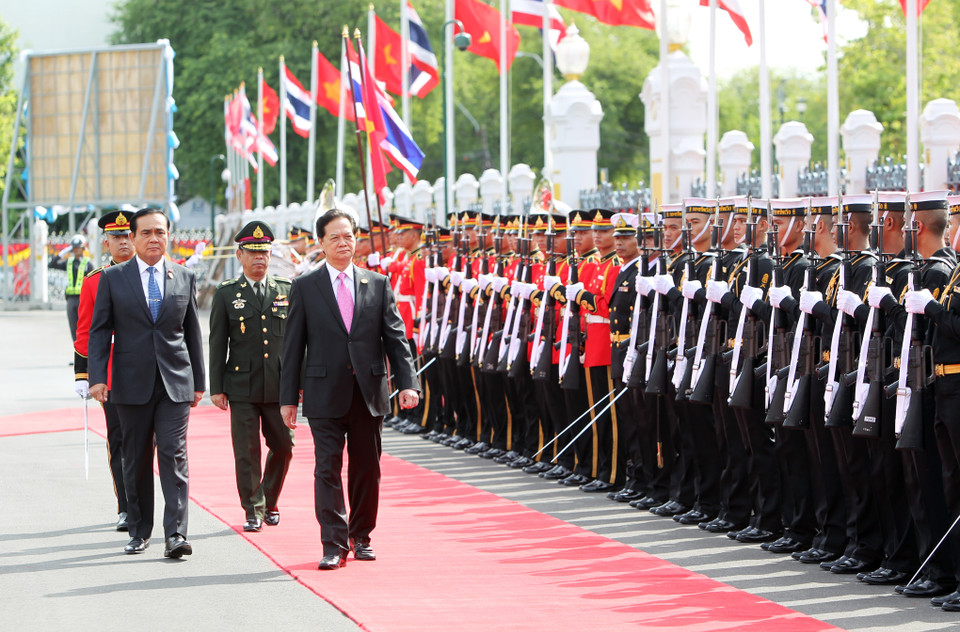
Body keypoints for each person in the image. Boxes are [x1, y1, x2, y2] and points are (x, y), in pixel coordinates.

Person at [280, 208, 420, 570]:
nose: (344, 243)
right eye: (335, 237)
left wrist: (408, 383)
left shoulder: (377, 283)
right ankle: (333, 542)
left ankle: (362, 536)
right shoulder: (305, 286)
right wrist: (288, 398)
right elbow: (293, 346)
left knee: (366, 468)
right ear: (321, 243)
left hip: (368, 391)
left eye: (348, 236)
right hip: (323, 391)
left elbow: (395, 338)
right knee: (327, 467)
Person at [88, 208, 205, 558]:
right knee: (136, 458)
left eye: (160, 232)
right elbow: (99, 332)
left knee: (173, 453)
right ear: (133, 238)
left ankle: (176, 534)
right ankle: (139, 530)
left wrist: (199, 381)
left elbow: (192, 333)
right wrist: (96, 378)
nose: (154, 238)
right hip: (130, 382)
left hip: (175, 383)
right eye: (146, 233)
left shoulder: (183, 276)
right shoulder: (113, 278)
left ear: (169, 236)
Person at [209, 221, 294, 533]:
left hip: (279, 385)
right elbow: (218, 343)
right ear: (239, 255)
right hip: (242, 386)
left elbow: (299, 342)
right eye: (253, 252)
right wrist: (216, 387)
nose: (260, 258)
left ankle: (269, 499)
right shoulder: (227, 294)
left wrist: (298, 383)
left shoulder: (286, 290)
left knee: (284, 445)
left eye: (265, 252)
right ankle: (253, 509)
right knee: (247, 452)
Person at [73, 210, 135, 531]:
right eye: (117, 238)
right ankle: (126, 506)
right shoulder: (95, 280)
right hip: (111, 375)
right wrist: (83, 374)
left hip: (147, 371)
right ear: (106, 242)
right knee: (120, 439)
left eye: (127, 236)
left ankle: (143, 501)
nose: (123, 243)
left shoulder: (150, 274)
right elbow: (85, 333)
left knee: (148, 441)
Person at [50, 234, 94, 341]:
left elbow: (92, 283)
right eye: (74, 248)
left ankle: (85, 354)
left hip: (83, 299)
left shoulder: (88, 264)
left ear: (83, 248)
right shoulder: (68, 262)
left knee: (84, 327)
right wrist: (64, 252)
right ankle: (76, 353)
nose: (76, 250)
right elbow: (51, 264)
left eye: (78, 247)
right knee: (73, 328)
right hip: (71, 299)